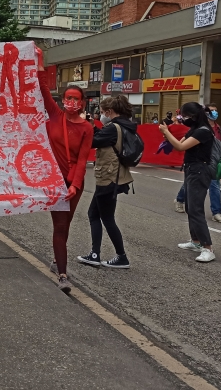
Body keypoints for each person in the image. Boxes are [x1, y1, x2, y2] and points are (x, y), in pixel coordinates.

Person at [37, 50, 94, 294]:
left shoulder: (87, 128)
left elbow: (82, 160)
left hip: (73, 183)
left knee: (66, 225)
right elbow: (41, 88)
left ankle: (56, 260)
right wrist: (40, 62)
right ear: (62, 100)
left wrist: (75, 184)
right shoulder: (54, 115)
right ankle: (62, 274)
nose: (71, 102)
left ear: (82, 103)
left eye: (75, 99)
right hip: (53, 180)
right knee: (60, 226)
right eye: (67, 98)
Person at [77, 96, 134, 269]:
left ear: (109, 112)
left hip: (108, 178)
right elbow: (100, 138)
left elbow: (92, 141)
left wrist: (85, 125)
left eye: (102, 112)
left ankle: (118, 256)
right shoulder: (125, 126)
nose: (101, 115)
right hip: (115, 177)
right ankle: (96, 254)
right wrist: (93, 126)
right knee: (95, 214)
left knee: (105, 217)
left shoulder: (113, 128)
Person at [159, 102, 216, 263]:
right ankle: (196, 242)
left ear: (194, 115)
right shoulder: (195, 130)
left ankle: (208, 248)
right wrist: (167, 133)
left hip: (200, 171)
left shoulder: (204, 132)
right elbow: (178, 143)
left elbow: (180, 146)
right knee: (190, 208)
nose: (183, 119)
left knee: (196, 210)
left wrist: (166, 132)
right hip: (191, 169)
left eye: (185, 116)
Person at [174, 103, 221, 224]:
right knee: (188, 185)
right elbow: (181, 144)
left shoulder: (218, 127)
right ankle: (180, 199)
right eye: (211, 111)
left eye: (215, 111)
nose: (213, 113)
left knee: (215, 186)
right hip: (198, 163)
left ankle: (216, 212)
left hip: (212, 161)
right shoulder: (199, 128)